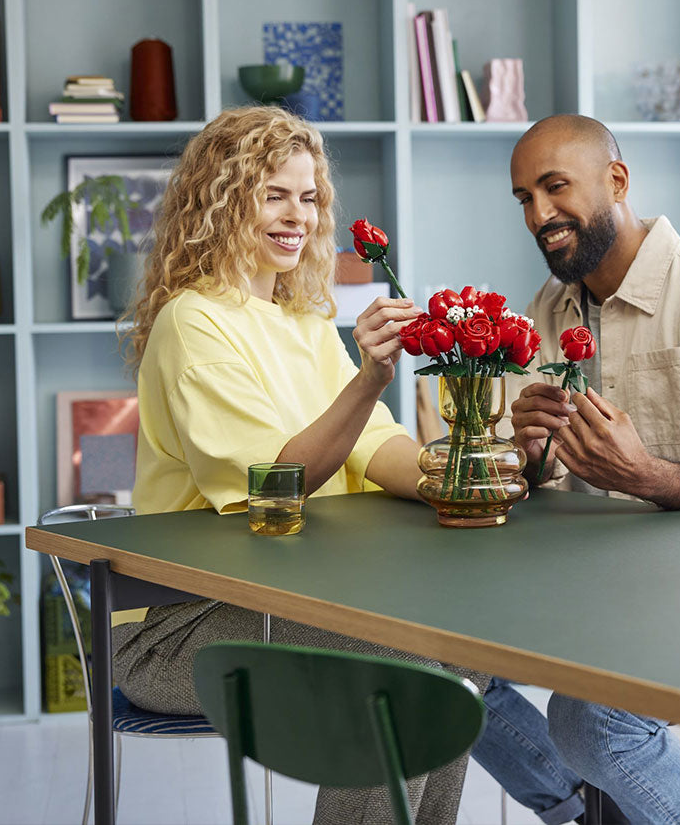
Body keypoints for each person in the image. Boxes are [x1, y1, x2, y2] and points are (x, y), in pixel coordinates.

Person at [114, 106, 486, 825]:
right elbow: (276, 485)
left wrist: (474, 473)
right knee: (401, 674)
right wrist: (369, 377)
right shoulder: (193, 322)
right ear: (221, 200)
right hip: (178, 629)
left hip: (296, 601)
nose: (299, 216)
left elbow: (378, 448)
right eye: (273, 193)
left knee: (457, 657)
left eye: (310, 197)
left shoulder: (306, 322)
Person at [472, 114, 680, 825]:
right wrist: (526, 456)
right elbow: (544, 483)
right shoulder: (548, 308)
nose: (539, 215)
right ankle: (581, 812)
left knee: (592, 724)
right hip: (584, 583)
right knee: (437, 663)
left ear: (616, 181)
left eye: (555, 188)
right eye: (524, 198)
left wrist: (649, 475)